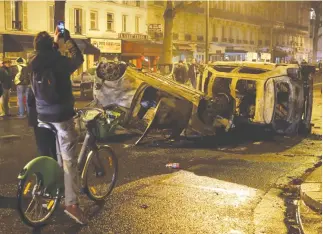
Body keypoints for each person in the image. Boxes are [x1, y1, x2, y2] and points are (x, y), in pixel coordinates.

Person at [28, 27, 86, 224]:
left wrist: (53, 43)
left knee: (53, 156)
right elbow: (78, 59)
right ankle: (71, 204)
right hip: (61, 116)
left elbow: (47, 57)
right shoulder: (60, 62)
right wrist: (66, 39)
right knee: (69, 160)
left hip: (42, 116)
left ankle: (50, 193)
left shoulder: (33, 63)